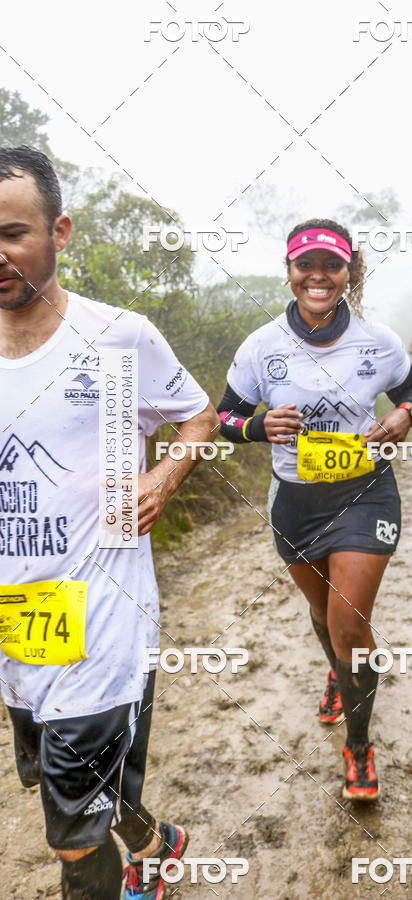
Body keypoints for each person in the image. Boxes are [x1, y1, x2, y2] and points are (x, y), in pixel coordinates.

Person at [0, 146, 219, 899]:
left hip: (104, 620)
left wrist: (164, 474)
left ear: (59, 231)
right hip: (21, 618)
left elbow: (199, 416)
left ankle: (127, 873)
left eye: (13, 233)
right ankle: (159, 842)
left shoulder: (117, 337)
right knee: (66, 780)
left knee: (71, 832)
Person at [217, 219, 412, 801]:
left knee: (349, 623)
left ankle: (358, 748)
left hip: (365, 491)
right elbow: (222, 419)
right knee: (323, 613)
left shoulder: (377, 339)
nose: (317, 276)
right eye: (305, 264)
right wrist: (258, 426)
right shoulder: (261, 347)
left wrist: (405, 415)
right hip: (297, 502)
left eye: (330, 265)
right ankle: (338, 670)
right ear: (289, 272)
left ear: (348, 273)